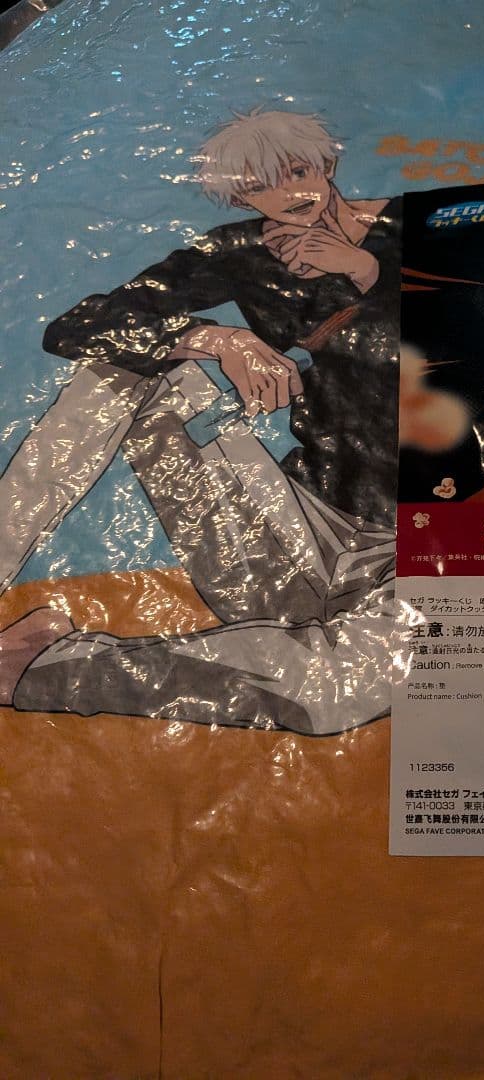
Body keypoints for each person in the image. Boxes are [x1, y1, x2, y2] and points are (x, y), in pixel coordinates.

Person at [0, 109, 403, 734]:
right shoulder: (243, 252)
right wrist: (215, 338)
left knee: (329, 694)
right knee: (121, 365)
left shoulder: (416, 228)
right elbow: (77, 327)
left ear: (327, 164)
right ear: (241, 197)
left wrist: (365, 271)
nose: (289, 193)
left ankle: (33, 667)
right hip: (300, 532)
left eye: (299, 171)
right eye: (261, 185)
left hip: (427, 546)